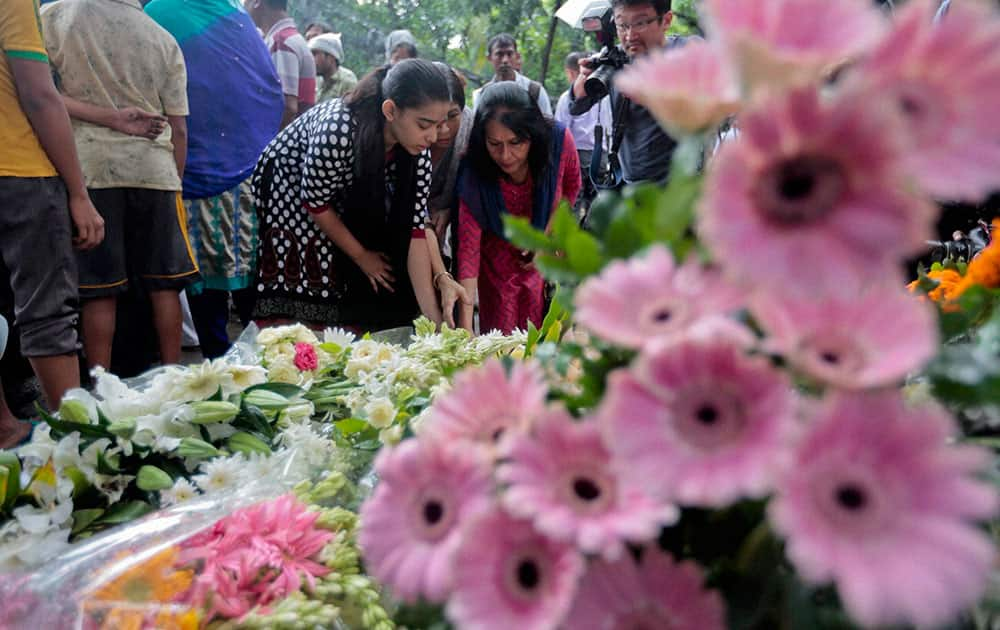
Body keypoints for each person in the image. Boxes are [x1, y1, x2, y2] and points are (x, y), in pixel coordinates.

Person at [252, 59, 469, 331]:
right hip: (290, 187)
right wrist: (362, 256)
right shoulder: (340, 127)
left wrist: (436, 322)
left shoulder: (418, 149)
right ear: (390, 110)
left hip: (331, 195)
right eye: (425, 124)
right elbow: (316, 202)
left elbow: (416, 230)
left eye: (439, 125)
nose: (434, 137)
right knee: (308, 271)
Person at [42, 0, 199, 371]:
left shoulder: (55, 16)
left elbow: (40, 95)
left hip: (89, 170)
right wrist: (172, 182)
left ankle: (99, 386)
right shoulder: (163, 39)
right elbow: (178, 128)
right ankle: (173, 377)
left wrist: (103, 118)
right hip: (155, 171)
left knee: (100, 287)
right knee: (165, 284)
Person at [146, 0, 284, 359]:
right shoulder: (234, 15)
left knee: (206, 285)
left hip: (195, 166)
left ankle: (219, 365)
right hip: (251, 169)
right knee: (251, 282)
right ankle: (262, 365)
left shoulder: (159, 14)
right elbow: (268, 89)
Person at [0, 0, 105, 447]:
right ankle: (80, 446)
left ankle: (5, 426)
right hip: (18, 170)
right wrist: (78, 192)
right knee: (47, 311)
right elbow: (39, 94)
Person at [457, 82, 581, 334]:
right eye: (495, 144)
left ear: (532, 135)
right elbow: (468, 251)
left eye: (516, 143)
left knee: (548, 336)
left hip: (544, 253)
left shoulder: (556, 142)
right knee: (501, 342)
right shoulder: (473, 169)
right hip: (496, 264)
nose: (505, 155)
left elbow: (571, 188)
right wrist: (465, 327)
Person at [570, 0, 682, 185]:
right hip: (630, 183)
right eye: (622, 25)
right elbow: (576, 107)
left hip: (681, 186)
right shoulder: (615, 59)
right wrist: (583, 80)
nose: (630, 35)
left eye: (640, 23)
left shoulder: (686, 51)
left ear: (666, 20)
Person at [555, 51, 613, 219]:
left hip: (576, 157)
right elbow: (609, 126)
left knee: (573, 202)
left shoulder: (567, 98)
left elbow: (561, 130)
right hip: (600, 155)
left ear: (571, 73)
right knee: (596, 204)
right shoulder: (604, 96)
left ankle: (569, 242)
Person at [245, 0, 316, 128]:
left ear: (256, 2)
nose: (243, 5)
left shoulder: (281, 42)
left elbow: (287, 107)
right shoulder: (287, 38)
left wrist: (270, 145)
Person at [427, 64, 474, 255]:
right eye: (433, 119)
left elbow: (471, 185)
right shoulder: (405, 131)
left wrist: (449, 208)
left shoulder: (470, 127)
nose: (444, 128)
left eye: (453, 115)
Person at [472, 34, 552, 116]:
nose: (505, 60)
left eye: (509, 54)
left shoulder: (535, 91)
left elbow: (548, 124)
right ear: (489, 58)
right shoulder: (482, 95)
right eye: (499, 54)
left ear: (517, 56)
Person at [310, 33, 359, 103]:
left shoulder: (347, 80)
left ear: (331, 56)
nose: (311, 59)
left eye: (315, 54)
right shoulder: (317, 81)